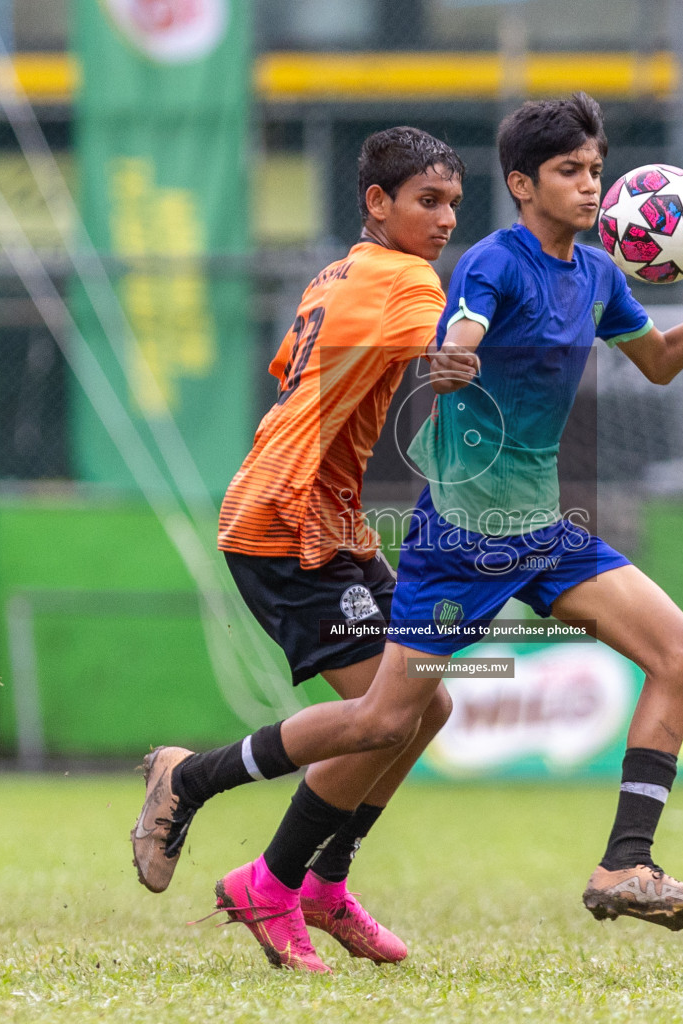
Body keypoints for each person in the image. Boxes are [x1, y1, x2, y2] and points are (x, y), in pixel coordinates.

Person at [134, 92, 683, 970]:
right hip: (412, 535)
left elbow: (661, 362)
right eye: (571, 171)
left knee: (677, 656)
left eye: (597, 170)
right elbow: (457, 327)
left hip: (531, 530)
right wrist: (453, 355)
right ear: (522, 184)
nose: (591, 185)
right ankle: (205, 796)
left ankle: (624, 865)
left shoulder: (593, 273)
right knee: (383, 718)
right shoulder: (469, 268)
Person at [130, 127, 476, 972]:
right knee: (388, 713)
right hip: (283, 521)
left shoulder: (336, 273)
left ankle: (322, 886)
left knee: (427, 706)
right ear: (377, 203)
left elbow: (300, 367)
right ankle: (194, 785)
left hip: (327, 515)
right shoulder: (406, 278)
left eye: (453, 206)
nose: (444, 221)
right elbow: (455, 351)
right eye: (427, 202)